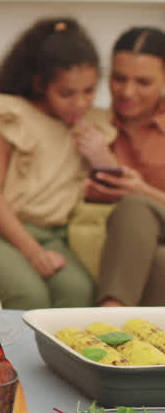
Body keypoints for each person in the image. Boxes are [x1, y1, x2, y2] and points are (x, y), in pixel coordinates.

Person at [0, 17, 114, 310]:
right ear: (40, 84)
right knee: (28, 295)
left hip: (55, 235)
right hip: (2, 231)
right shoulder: (9, 117)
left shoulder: (92, 125)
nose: (80, 103)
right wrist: (33, 252)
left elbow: (118, 185)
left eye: (89, 91)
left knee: (78, 290)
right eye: (66, 93)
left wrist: (101, 157)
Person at [74, 26, 165, 306]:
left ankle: (110, 313)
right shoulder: (91, 123)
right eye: (118, 78)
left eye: (143, 82)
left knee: (135, 205)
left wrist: (141, 191)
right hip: (121, 235)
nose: (127, 92)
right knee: (160, 261)